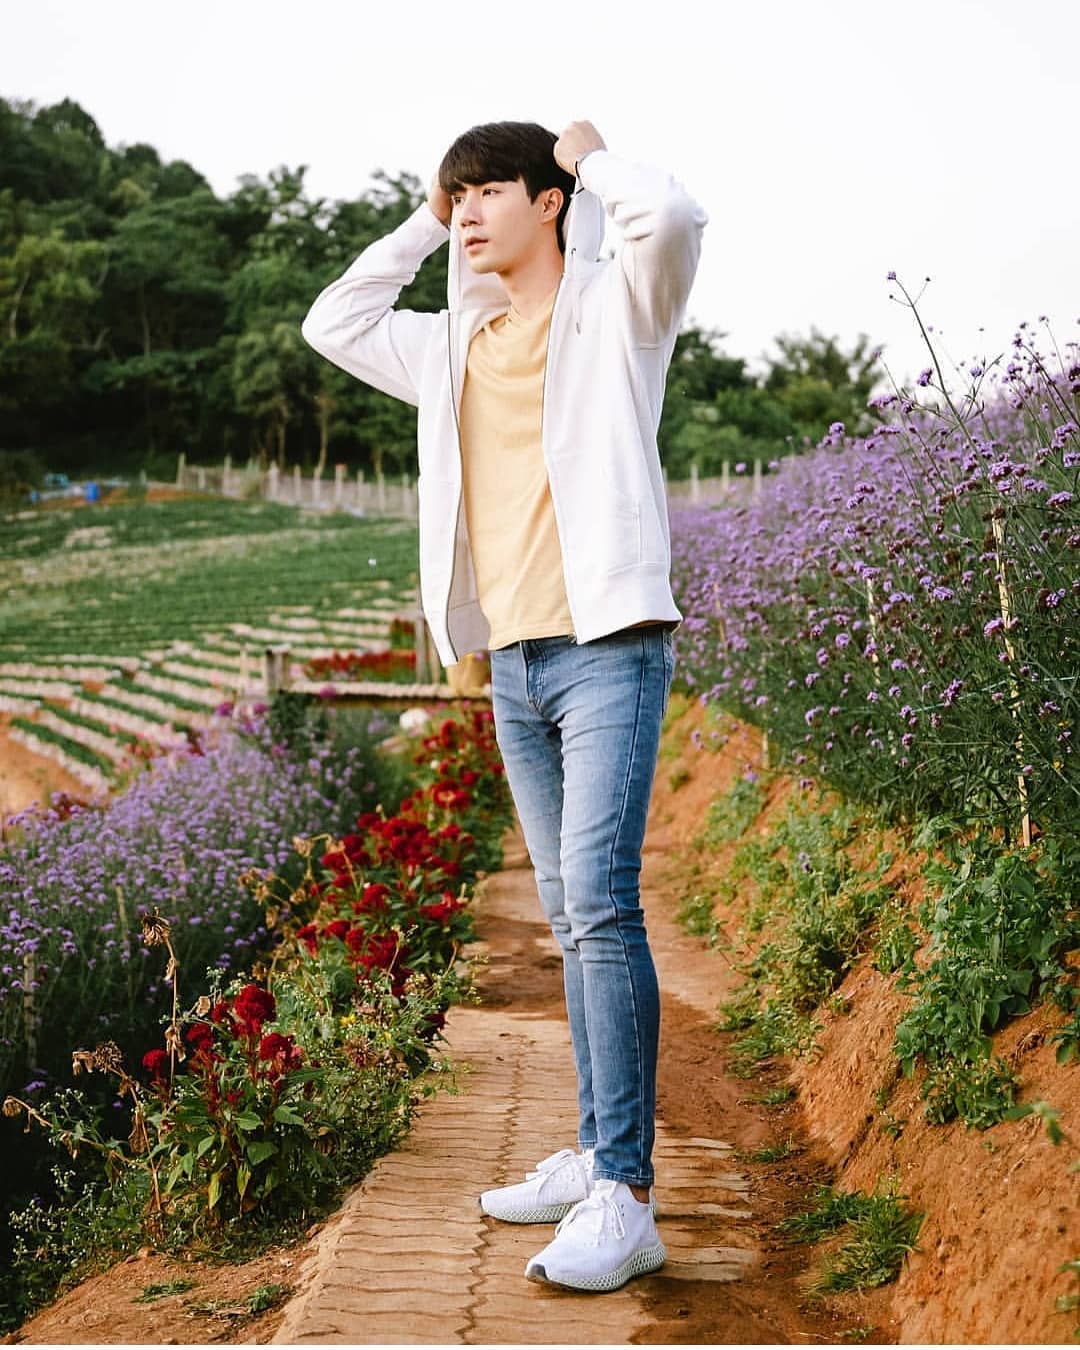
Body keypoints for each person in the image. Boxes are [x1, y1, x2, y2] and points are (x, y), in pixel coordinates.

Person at [301, 119, 706, 1292]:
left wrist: (592, 160)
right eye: (456, 197)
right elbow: (333, 321)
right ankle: (595, 1152)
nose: (468, 212)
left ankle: (626, 1196)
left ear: (549, 201)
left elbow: (673, 219)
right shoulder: (451, 344)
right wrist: (423, 221)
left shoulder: (617, 311)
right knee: (572, 919)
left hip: (608, 650)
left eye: (487, 193)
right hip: (516, 666)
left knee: (603, 908)